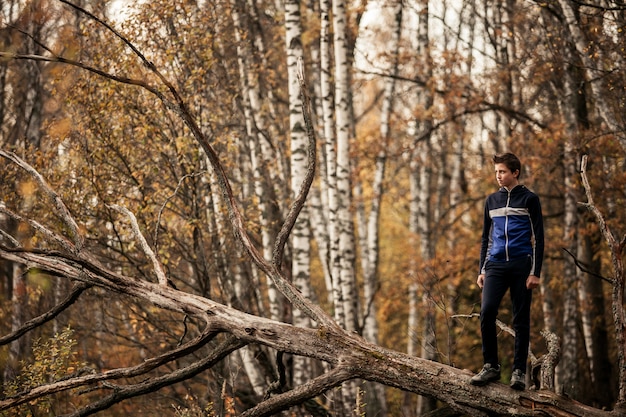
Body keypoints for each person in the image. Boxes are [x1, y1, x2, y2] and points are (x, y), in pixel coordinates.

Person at [470, 152, 544, 391]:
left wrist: (535, 272)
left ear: (515, 173)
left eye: (502, 172)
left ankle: (519, 371)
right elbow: (485, 237)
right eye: (496, 172)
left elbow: (539, 238)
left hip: (522, 265)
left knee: (520, 319)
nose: (498, 176)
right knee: (487, 311)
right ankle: (491, 365)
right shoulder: (491, 201)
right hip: (495, 265)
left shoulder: (530, 199)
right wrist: (482, 269)